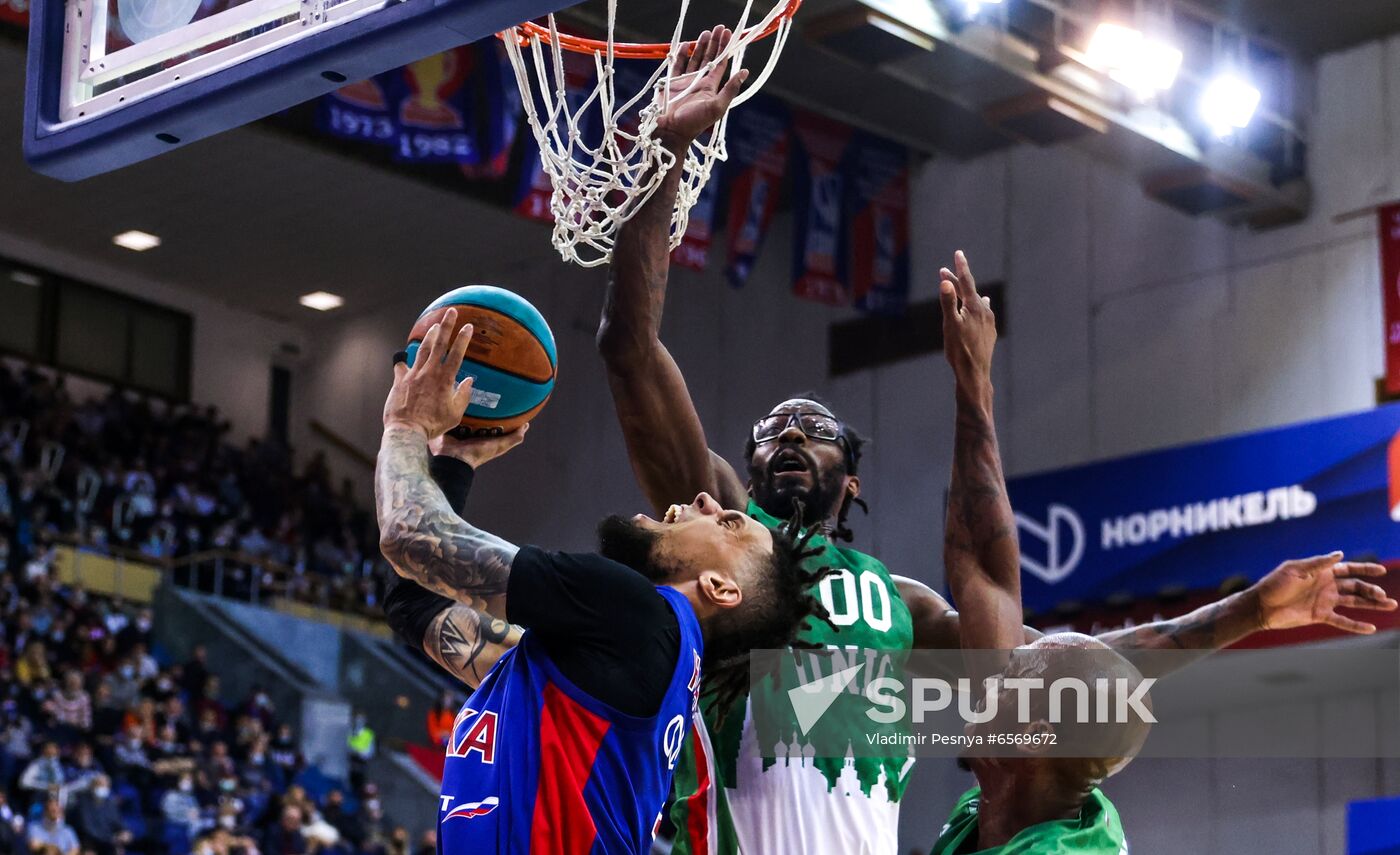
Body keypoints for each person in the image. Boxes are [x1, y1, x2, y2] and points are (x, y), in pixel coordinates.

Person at [597, 40, 1400, 849]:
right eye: (770, 433)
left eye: (818, 429)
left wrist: (1250, 610)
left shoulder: (901, 610)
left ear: (855, 485)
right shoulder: (729, 554)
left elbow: (1064, 679)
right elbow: (630, 348)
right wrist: (666, 153)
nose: (793, 433)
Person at [930, 247, 1394, 853]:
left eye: (1021, 664)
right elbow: (1012, 599)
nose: (1001, 656)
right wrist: (1248, 611)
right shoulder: (1033, 793)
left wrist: (975, 386)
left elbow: (995, 588)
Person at [374, 309, 832, 854]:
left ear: (720, 588)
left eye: (731, 523)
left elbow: (409, 534)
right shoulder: (616, 666)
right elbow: (415, 601)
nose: (710, 501)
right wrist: (454, 459)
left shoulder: (636, 615)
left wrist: (408, 425)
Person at [69, 776, 131, 855]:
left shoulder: (110, 804)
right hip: (90, 842)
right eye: (100, 785)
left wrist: (124, 832)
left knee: (119, 849)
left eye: (106, 786)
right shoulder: (83, 803)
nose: (103, 788)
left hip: (108, 842)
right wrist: (111, 838)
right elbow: (87, 828)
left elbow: (117, 822)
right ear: (92, 786)